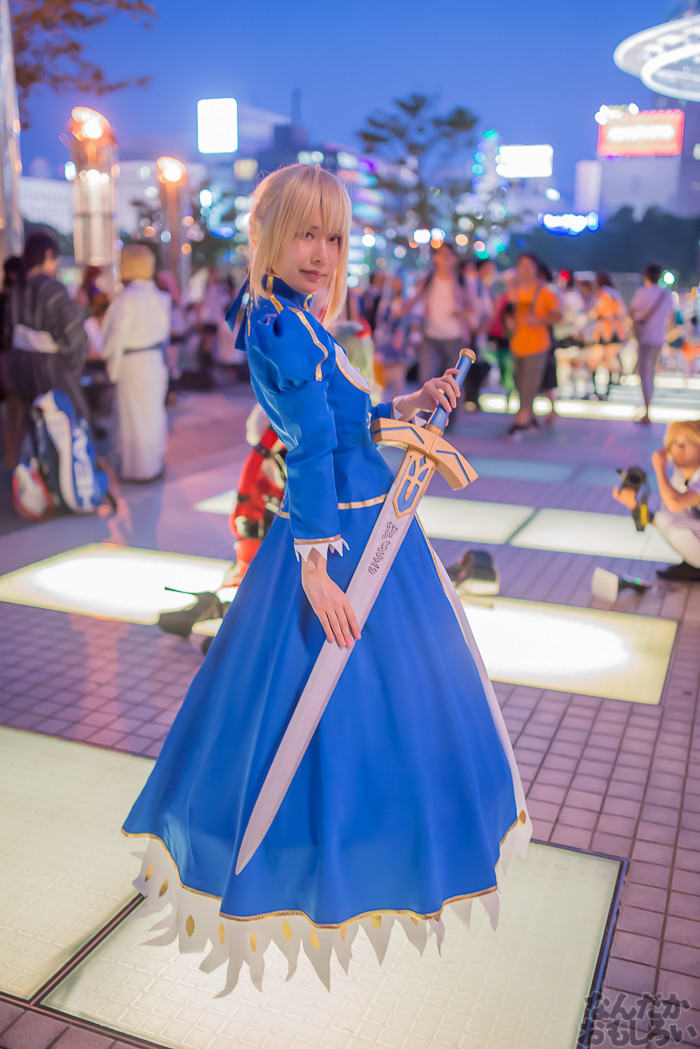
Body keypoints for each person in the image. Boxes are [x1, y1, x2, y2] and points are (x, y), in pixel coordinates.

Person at [122, 162, 532, 993]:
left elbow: (346, 423)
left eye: (334, 237)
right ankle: (328, 861)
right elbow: (308, 447)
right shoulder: (279, 326)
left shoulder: (299, 321)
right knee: (324, 708)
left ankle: (370, 847)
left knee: (381, 702)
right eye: (306, 233)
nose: (321, 252)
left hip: (369, 522)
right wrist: (315, 565)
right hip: (342, 535)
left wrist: (408, 405)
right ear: (271, 235)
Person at [4, 231, 90, 424]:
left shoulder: (17, 289)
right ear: (48, 254)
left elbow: (9, 332)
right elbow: (73, 337)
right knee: (66, 425)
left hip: (21, 369)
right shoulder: (52, 288)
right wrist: (76, 361)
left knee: (36, 426)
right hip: (52, 372)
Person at [101, 245, 171, 482]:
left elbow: (114, 336)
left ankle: (138, 470)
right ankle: (153, 464)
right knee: (152, 415)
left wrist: (112, 368)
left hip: (133, 363)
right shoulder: (159, 296)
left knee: (133, 418)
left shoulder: (127, 298)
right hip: (154, 361)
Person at [613, 420, 700, 582]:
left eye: (688, 442)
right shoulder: (681, 477)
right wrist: (634, 506)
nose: (679, 448)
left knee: (669, 517)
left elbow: (674, 504)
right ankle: (692, 564)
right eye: (674, 442)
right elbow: (662, 518)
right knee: (666, 516)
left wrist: (659, 468)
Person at [507, 253, 561, 434]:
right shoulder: (514, 290)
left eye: (529, 266)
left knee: (529, 382)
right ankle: (529, 416)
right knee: (519, 381)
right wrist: (510, 322)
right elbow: (508, 313)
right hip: (517, 344)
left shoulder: (544, 291)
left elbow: (557, 315)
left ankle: (522, 418)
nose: (525, 270)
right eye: (521, 265)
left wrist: (540, 320)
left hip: (538, 345)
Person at [628, 263, 675, 424]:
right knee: (652, 373)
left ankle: (647, 408)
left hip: (645, 338)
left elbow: (632, 311)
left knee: (644, 373)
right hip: (659, 339)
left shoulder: (642, 292)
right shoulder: (666, 295)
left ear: (646, 276)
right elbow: (671, 318)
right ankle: (648, 406)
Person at [584, 272, 628, 400]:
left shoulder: (600, 294)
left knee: (594, 362)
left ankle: (596, 390)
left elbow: (592, 312)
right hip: (615, 332)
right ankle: (607, 391)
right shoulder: (616, 294)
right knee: (610, 362)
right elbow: (622, 313)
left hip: (601, 331)